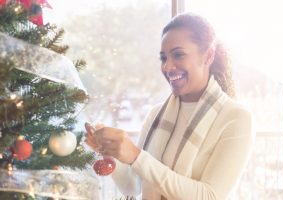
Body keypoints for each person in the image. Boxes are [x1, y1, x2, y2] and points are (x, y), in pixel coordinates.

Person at [85, 13, 255, 200]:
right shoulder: (156, 115)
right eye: (164, 58)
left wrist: (136, 156)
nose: (167, 66)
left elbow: (209, 196)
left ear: (208, 56)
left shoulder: (236, 118)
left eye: (178, 55)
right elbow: (133, 185)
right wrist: (111, 152)